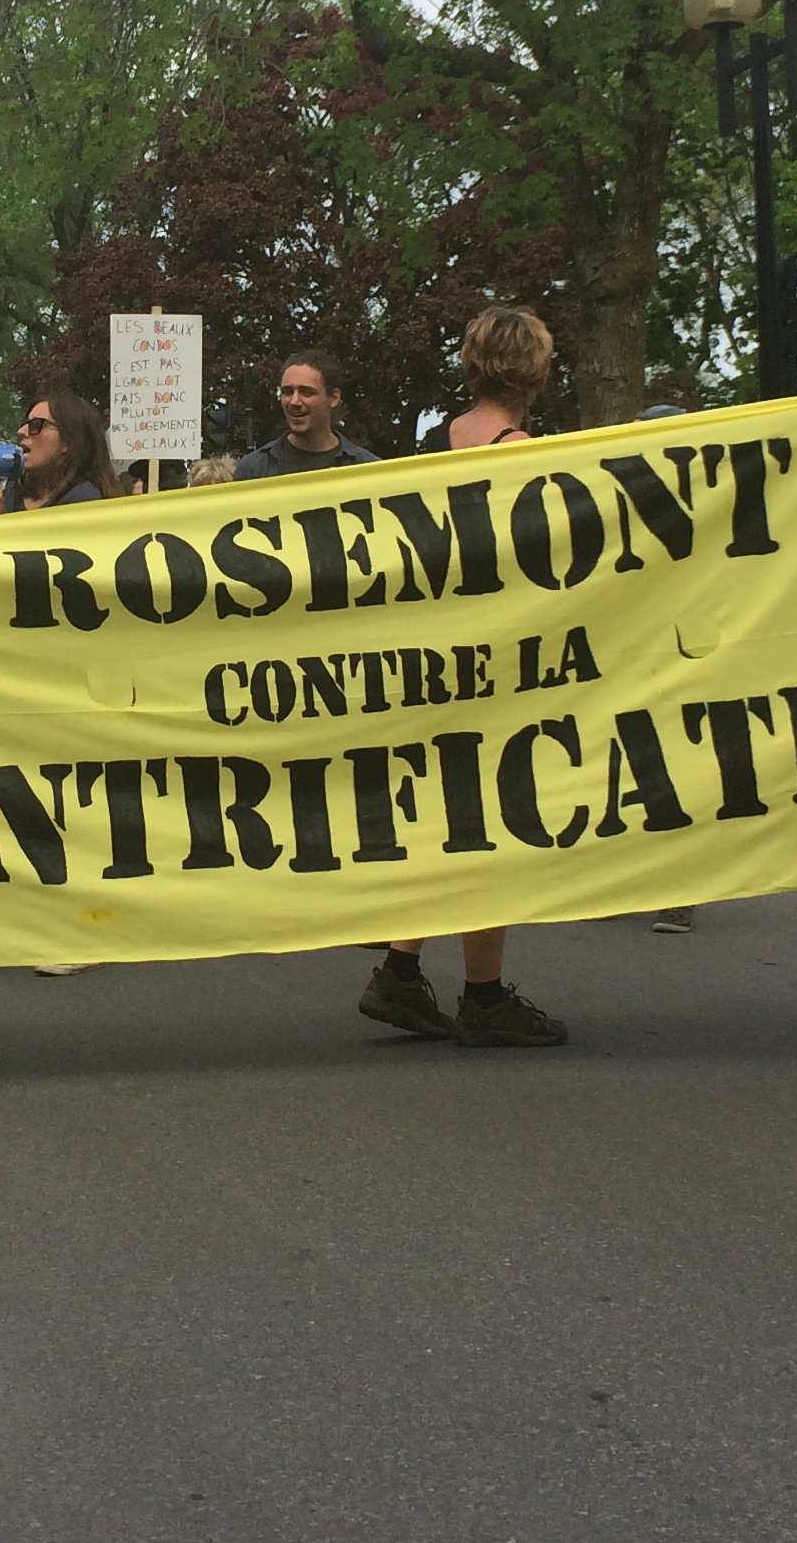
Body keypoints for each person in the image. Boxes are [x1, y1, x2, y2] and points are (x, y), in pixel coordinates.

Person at [359, 306, 569, 1050]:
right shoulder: (522, 455)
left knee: (449, 819)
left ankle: (404, 969)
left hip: (435, 654)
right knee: (494, 821)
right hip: (495, 659)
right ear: (537, 372)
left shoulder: (434, 443)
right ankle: (478, 994)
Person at [0, 390, 121, 517]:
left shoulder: (84, 499)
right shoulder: (14, 488)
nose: (21, 431)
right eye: (24, 423)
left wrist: (2, 519)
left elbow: (48, 558)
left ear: (69, 442)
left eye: (37, 425)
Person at [232, 349, 380, 480]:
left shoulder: (367, 469)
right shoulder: (253, 469)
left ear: (334, 398)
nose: (294, 401)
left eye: (307, 392)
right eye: (287, 392)